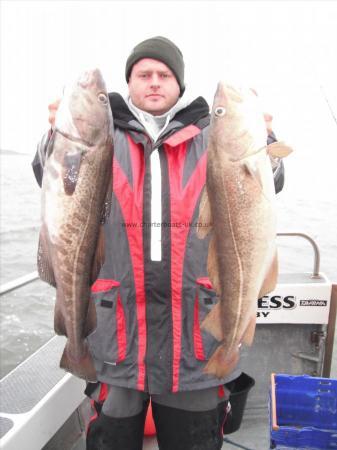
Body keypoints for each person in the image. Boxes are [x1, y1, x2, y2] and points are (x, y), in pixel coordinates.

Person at [32, 36, 284, 450]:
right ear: (127, 82)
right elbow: (55, 181)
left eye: (164, 75)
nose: (153, 82)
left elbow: (264, 189)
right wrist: (57, 139)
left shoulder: (211, 134)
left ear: (179, 85)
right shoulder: (100, 134)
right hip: (116, 337)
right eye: (143, 74)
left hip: (195, 341)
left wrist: (267, 148)